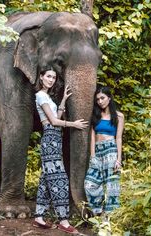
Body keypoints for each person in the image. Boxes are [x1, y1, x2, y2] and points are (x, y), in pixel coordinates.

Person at [33, 66, 88, 234]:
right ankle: (64, 221)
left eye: (54, 78)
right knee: (60, 179)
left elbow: (56, 116)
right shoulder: (40, 95)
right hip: (50, 139)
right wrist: (74, 124)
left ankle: (39, 217)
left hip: (55, 139)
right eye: (48, 76)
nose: (51, 80)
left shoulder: (48, 97)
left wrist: (63, 100)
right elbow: (54, 122)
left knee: (46, 180)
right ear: (41, 77)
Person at [84, 86, 124, 219]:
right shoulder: (96, 115)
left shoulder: (118, 116)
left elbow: (118, 137)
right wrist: (92, 155)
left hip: (111, 150)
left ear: (109, 98)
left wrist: (119, 159)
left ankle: (109, 217)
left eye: (103, 98)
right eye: (98, 99)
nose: (100, 101)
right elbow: (92, 136)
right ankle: (99, 212)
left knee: (112, 185)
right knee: (90, 183)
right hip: (98, 151)